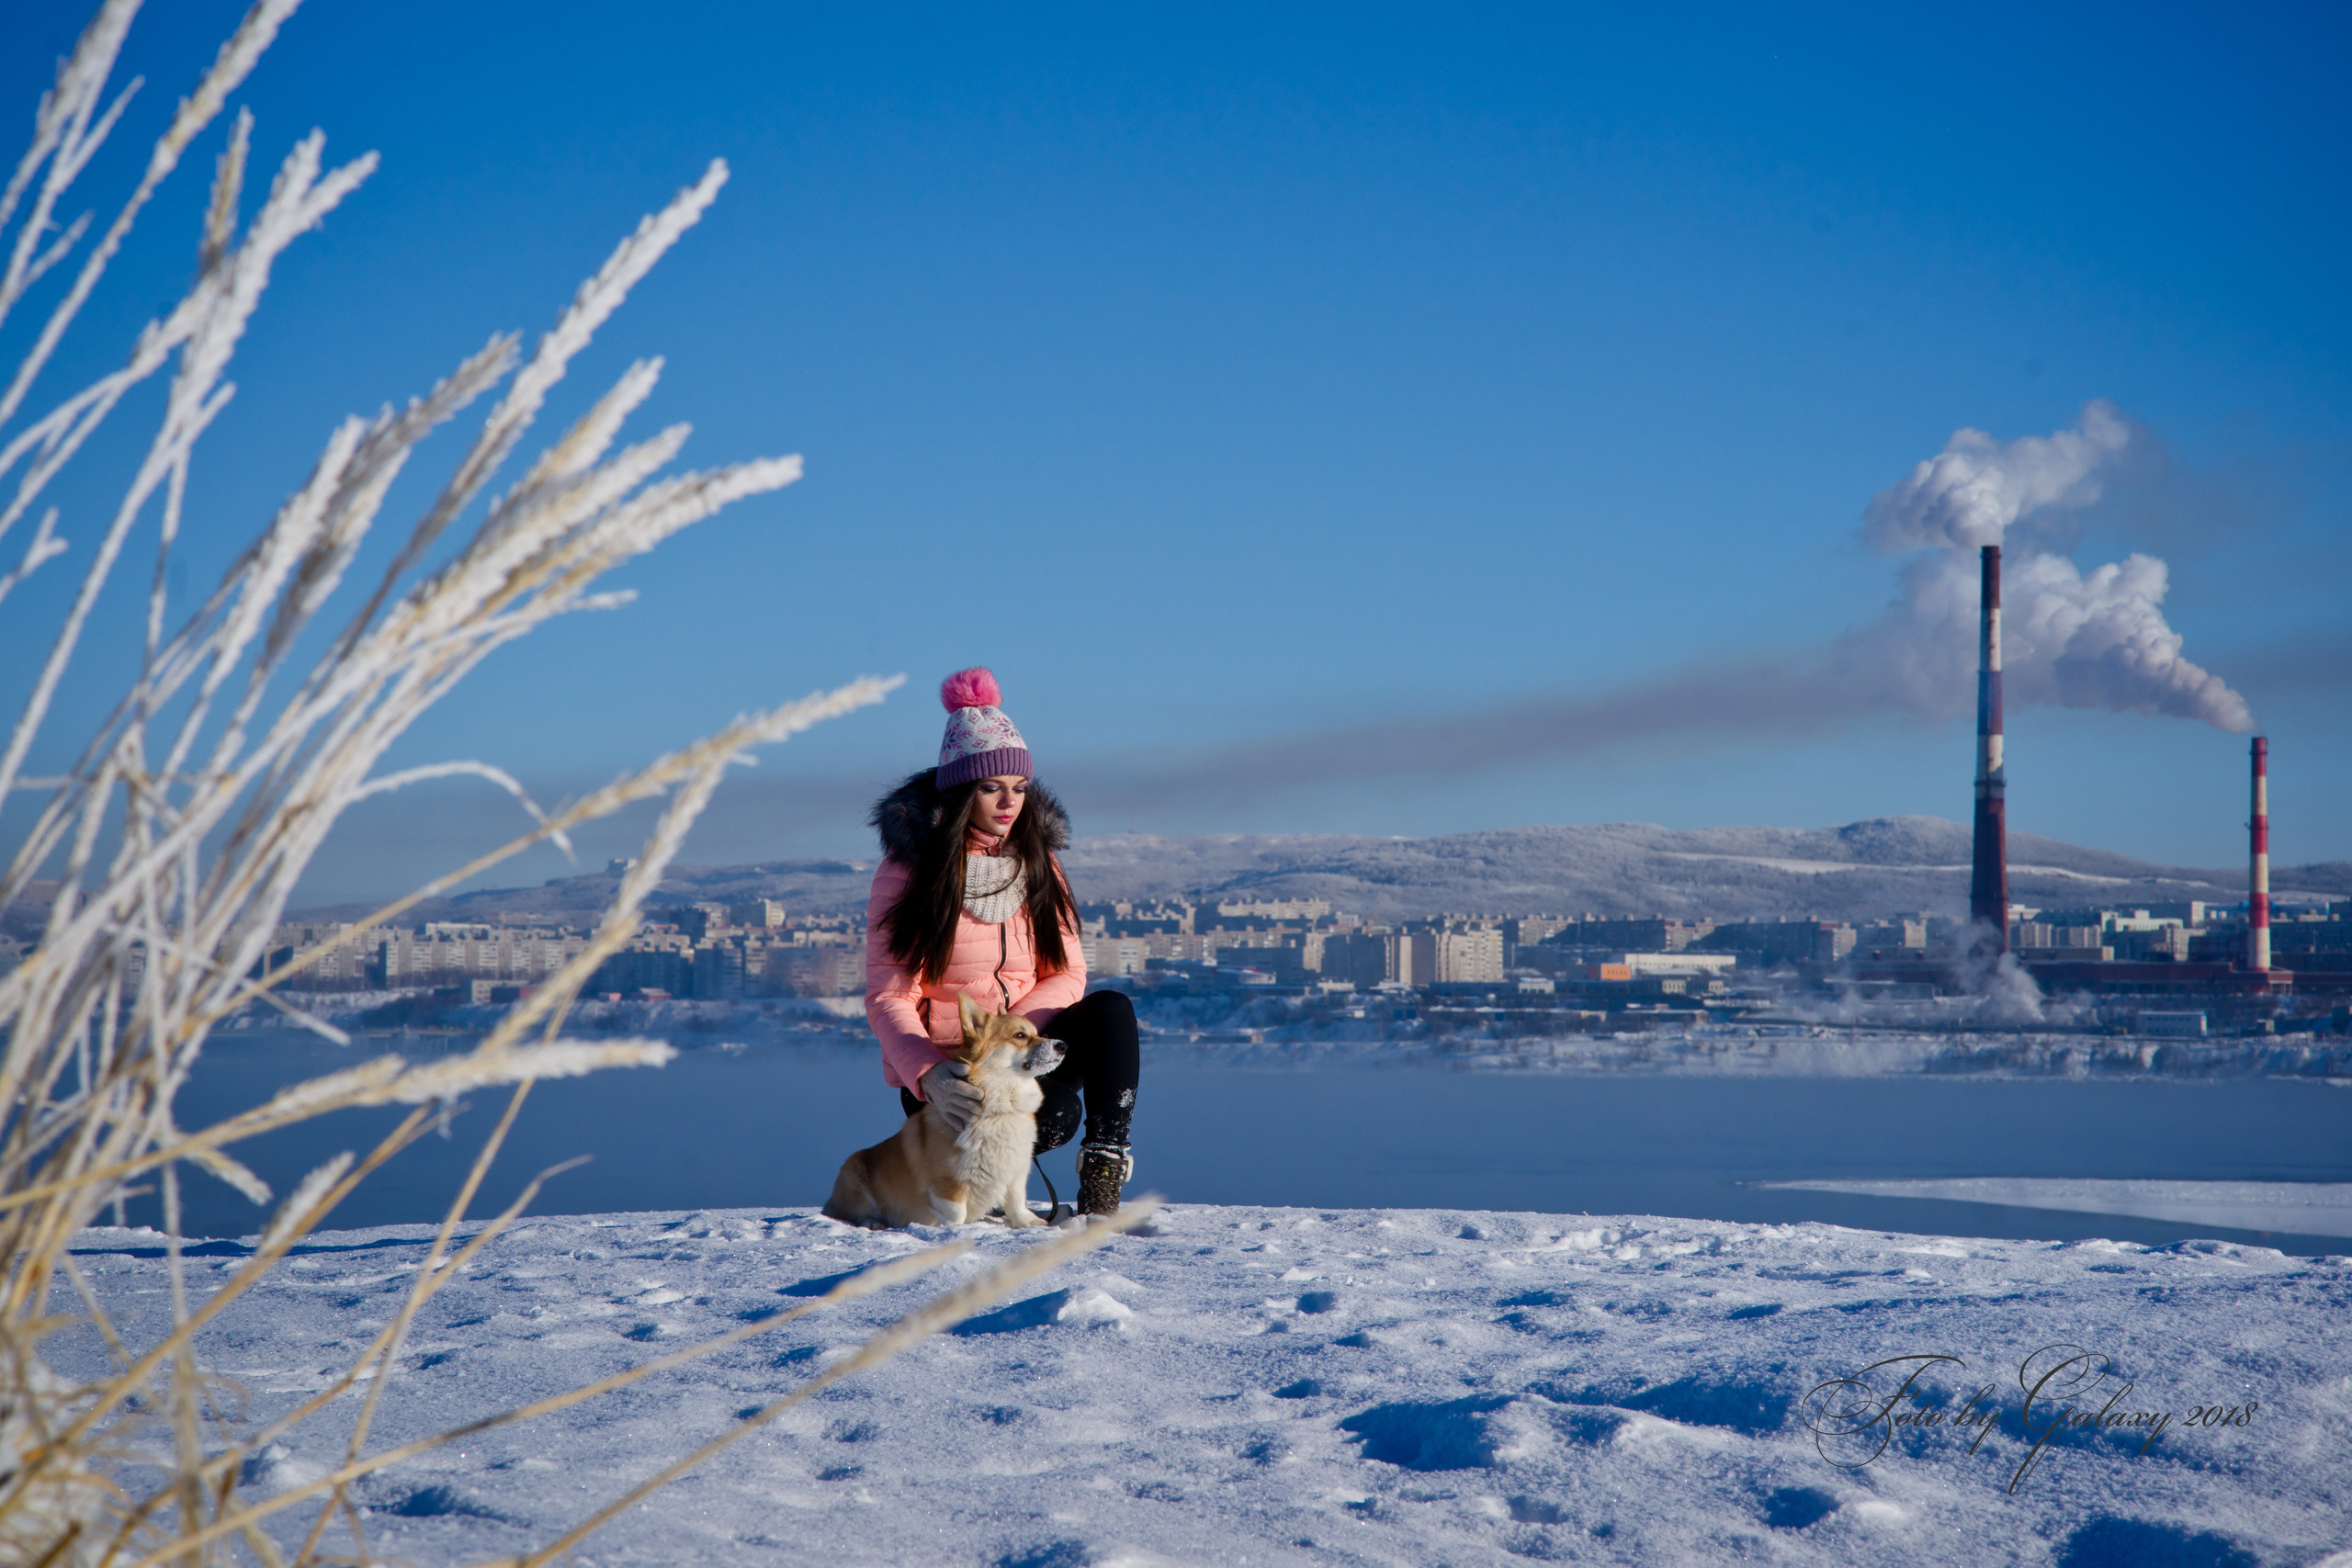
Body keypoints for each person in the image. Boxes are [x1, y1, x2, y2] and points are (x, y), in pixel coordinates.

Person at [862, 667, 1138, 1217]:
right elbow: (887, 995)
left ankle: (1105, 1168)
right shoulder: (910, 871)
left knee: (1110, 1010)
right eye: (991, 788)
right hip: (952, 1075)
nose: (1008, 802)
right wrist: (929, 1074)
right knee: (1054, 1112)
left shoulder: (1038, 862)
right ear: (963, 791)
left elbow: (1067, 973)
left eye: (1018, 788)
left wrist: (1012, 1036)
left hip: (1023, 1051)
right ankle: (973, 1182)